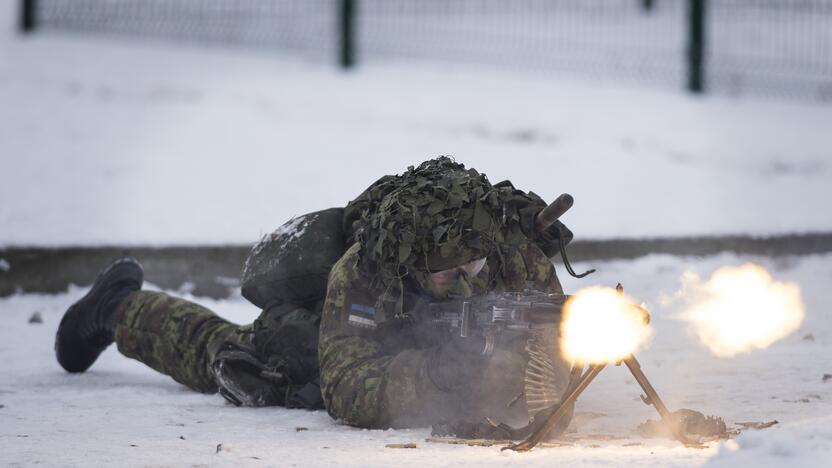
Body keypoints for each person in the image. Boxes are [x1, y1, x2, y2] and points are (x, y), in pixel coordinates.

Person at [55, 157, 573, 430]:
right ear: (409, 262)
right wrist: (439, 374)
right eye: (445, 271)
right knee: (247, 361)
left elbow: (554, 351)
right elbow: (346, 391)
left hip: (412, 362)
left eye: (474, 264)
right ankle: (116, 306)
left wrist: (527, 374)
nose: (465, 279)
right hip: (336, 337)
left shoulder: (514, 254)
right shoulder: (366, 267)